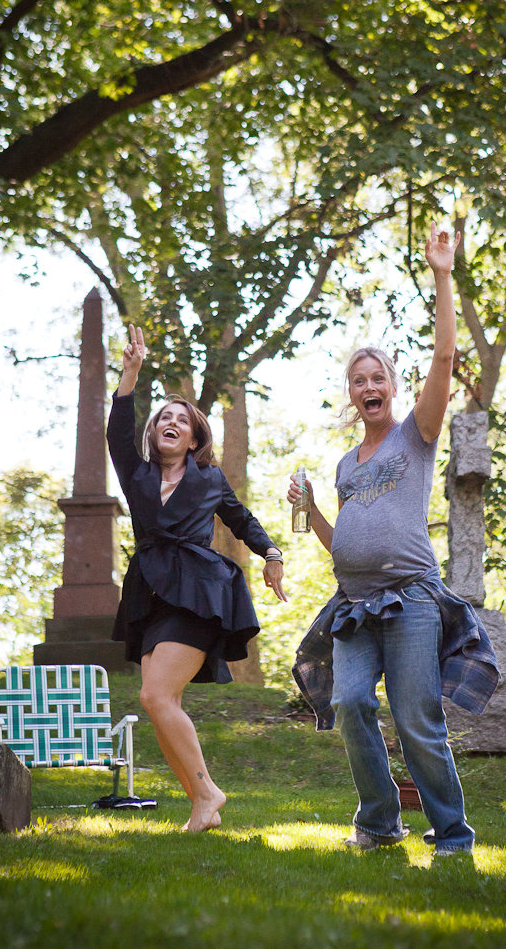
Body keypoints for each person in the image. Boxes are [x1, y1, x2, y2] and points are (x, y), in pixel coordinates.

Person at [287, 223, 499, 857]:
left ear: (394, 387)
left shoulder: (417, 435)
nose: (369, 386)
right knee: (351, 703)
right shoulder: (347, 465)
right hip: (354, 606)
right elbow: (339, 544)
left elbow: (443, 360)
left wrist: (442, 273)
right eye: (358, 381)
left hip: (409, 601)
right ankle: (381, 824)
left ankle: (453, 837)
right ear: (350, 397)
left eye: (377, 377)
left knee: (415, 720)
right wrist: (316, 511)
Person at [109, 324, 287, 832]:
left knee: (153, 697)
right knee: (163, 701)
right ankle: (200, 805)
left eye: (180, 420)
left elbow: (240, 519)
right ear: (154, 433)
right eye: (163, 417)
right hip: (150, 592)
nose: (170, 422)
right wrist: (131, 373)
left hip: (199, 590)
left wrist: (271, 550)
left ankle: (208, 792)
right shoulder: (137, 475)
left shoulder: (209, 479)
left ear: (193, 436)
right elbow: (116, 433)